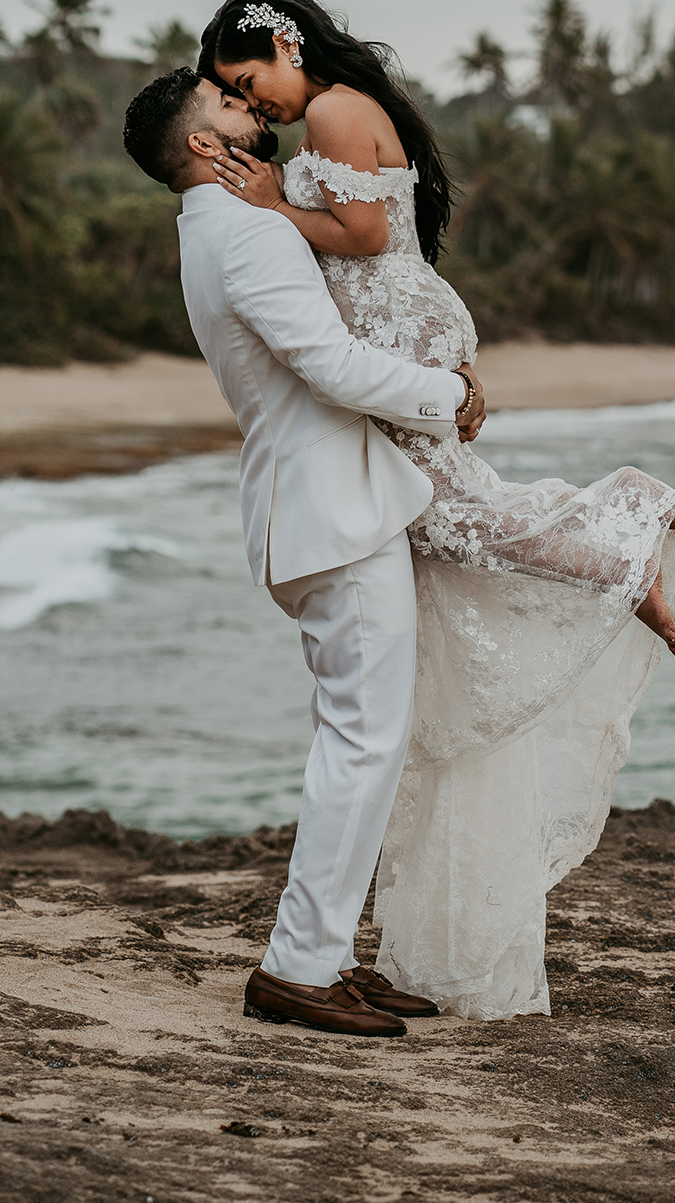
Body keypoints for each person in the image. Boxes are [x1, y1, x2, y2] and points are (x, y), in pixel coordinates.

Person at [200, 0, 675, 1021]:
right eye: (227, 96)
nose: (250, 107)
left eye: (246, 80)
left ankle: (628, 524)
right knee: (442, 524)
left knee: (446, 517)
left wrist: (269, 209)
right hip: (403, 330)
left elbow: (357, 232)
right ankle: (622, 562)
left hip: (396, 328)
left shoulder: (339, 106)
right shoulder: (340, 106)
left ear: (285, 45)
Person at [122, 68, 487, 1038]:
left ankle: (320, 955)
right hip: (330, 510)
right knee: (361, 743)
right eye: (232, 105)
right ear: (205, 145)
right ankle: (297, 969)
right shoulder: (246, 231)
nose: (253, 112)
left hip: (319, 506)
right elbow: (326, 366)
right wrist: (448, 392)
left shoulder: (217, 228)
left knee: (362, 740)